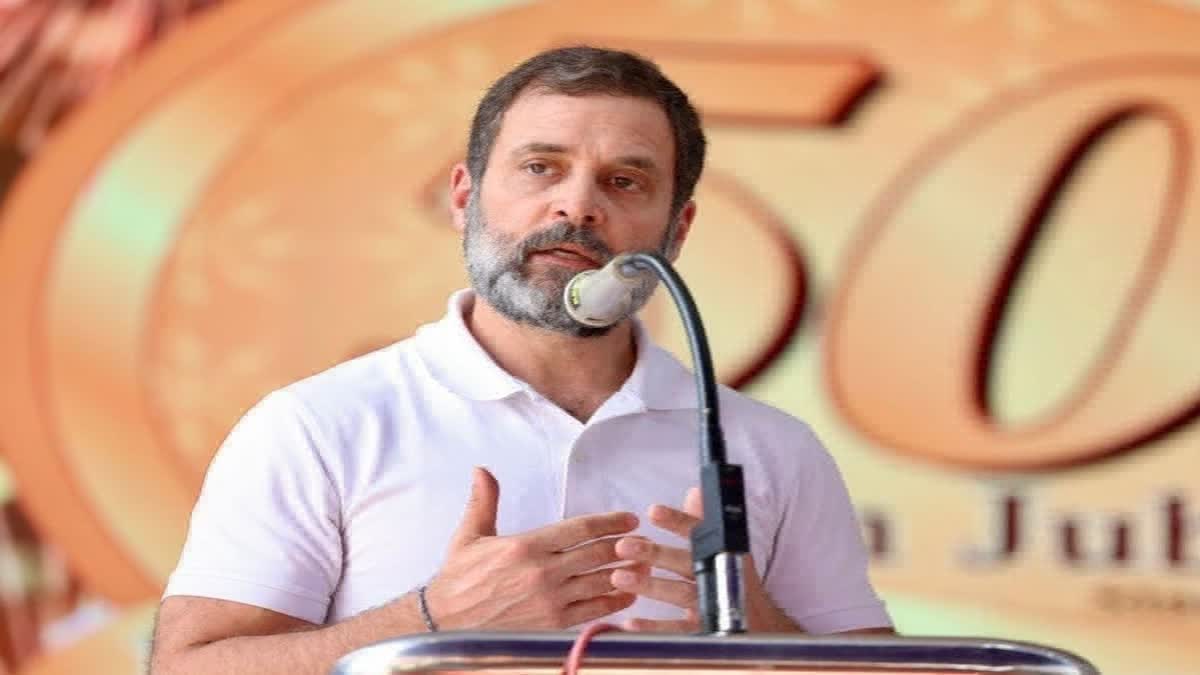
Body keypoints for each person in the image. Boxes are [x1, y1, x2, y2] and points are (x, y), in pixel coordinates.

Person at [149, 45, 893, 675]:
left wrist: (760, 635)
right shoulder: (317, 426)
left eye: (625, 181)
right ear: (465, 198)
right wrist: (433, 618)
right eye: (541, 167)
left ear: (677, 229)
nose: (577, 207)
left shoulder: (771, 449)